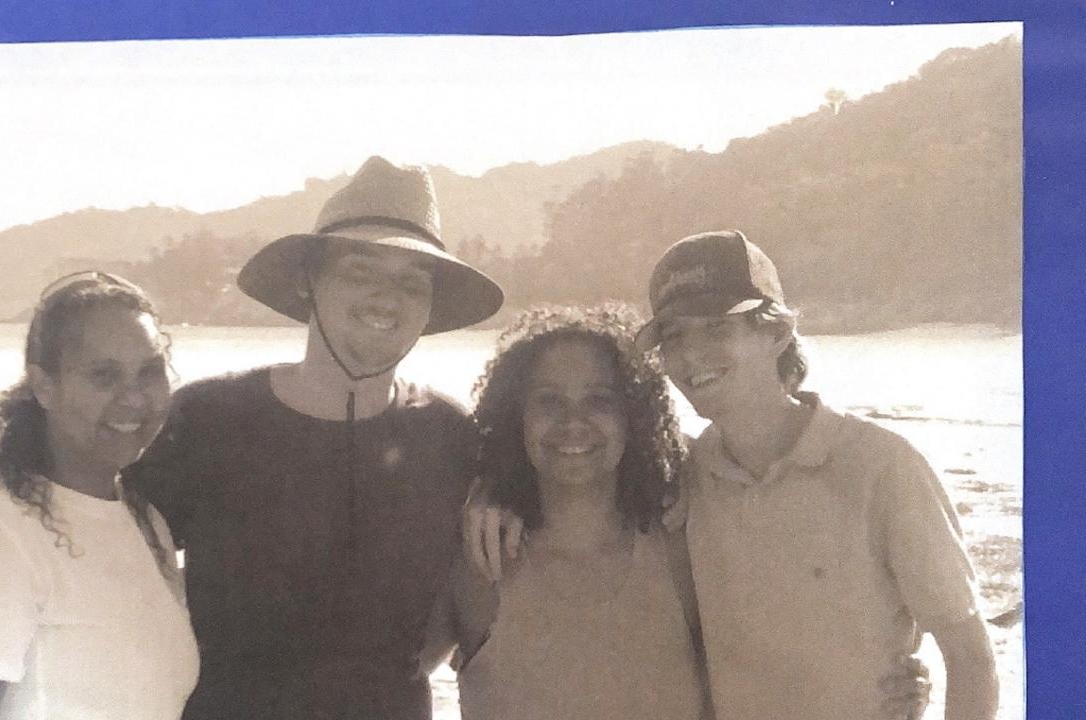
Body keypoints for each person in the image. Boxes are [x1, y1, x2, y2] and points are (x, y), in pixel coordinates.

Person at [468, 230, 996, 720]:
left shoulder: (882, 468)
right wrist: (492, 491)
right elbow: (575, 465)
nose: (691, 355)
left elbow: (971, 658)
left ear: (777, 332)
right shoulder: (687, 476)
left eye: (717, 328)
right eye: (673, 337)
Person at [123, 156, 504, 719]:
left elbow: (456, 608)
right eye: (360, 270)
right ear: (308, 280)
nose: (386, 298)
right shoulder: (208, 419)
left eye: (411, 282)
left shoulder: (450, 437)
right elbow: (108, 566)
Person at [0, 271, 199, 720]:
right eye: (104, 376)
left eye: (149, 371)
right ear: (44, 386)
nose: (135, 398)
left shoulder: (145, 521)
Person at [420, 303, 710, 720]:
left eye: (599, 400)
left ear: (635, 417)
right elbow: (382, 680)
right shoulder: (477, 565)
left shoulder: (683, 549)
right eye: (549, 401)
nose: (573, 422)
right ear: (515, 417)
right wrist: (483, 486)